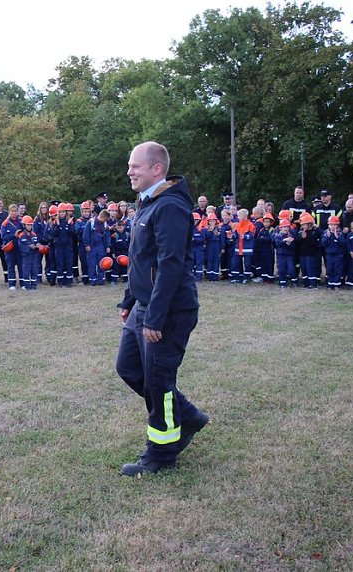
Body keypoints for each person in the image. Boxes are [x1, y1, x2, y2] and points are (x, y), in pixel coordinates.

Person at [115, 141, 209, 476]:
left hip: (168, 311)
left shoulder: (170, 206)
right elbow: (140, 258)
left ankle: (161, 454)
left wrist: (154, 317)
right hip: (144, 305)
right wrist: (129, 299)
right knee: (129, 368)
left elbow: (170, 265)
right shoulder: (147, 202)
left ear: (157, 169)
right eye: (129, 166)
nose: (129, 171)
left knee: (158, 380)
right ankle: (189, 416)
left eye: (134, 166)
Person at [321, 216, 346, 290]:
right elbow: (323, 243)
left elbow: (343, 244)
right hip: (329, 255)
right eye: (331, 225)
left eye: (334, 225)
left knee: (337, 269)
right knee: (329, 269)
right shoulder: (326, 233)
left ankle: (336, 284)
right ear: (328, 225)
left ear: (337, 225)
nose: (333, 226)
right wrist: (327, 237)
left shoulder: (340, 233)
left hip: (338, 255)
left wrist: (337, 237)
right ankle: (330, 284)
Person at [17, 216, 41, 289]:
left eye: (31, 225)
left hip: (34, 256)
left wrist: (37, 245)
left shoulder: (34, 235)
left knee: (34, 270)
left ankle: (34, 285)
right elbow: (21, 247)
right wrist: (29, 247)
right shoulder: (21, 235)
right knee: (26, 271)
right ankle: (26, 285)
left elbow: (37, 242)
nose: (30, 226)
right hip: (26, 256)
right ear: (24, 225)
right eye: (28, 225)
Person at [274, 219, 297, 287]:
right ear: (280, 228)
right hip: (280, 255)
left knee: (291, 269)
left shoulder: (291, 235)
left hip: (289, 255)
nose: (286, 228)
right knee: (281, 269)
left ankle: (294, 281)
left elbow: (294, 246)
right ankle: (282, 282)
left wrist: (290, 243)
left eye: (287, 227)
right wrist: (284, 240)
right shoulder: (278, 235)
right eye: (284, 227)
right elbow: (278, 244)